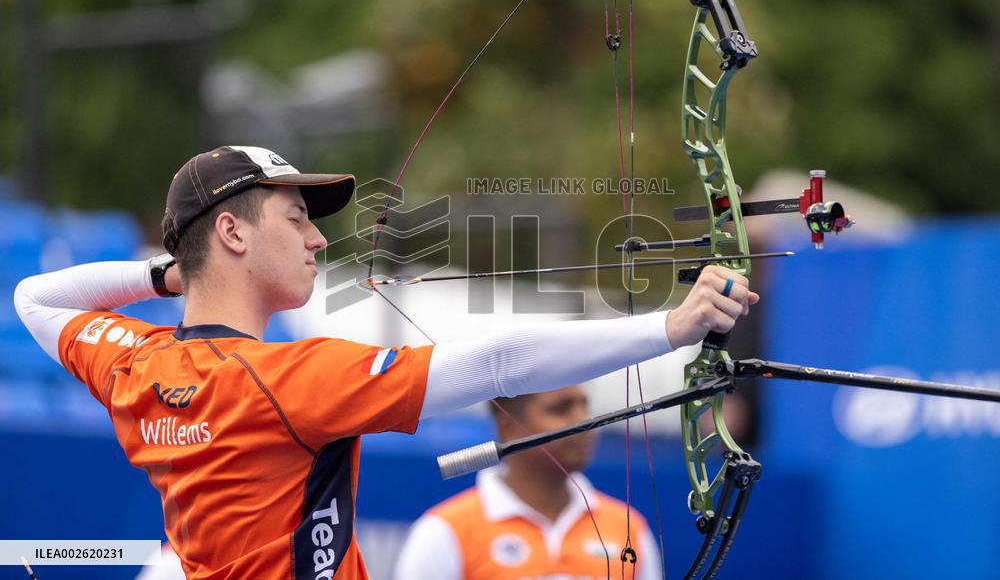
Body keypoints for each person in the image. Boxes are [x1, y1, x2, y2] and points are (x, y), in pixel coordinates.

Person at [12, 145, 757, 579]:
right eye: (297, 216)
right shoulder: (288, 381)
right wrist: (674, 325)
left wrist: (176, 274)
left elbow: (35, 300)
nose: (316, 239)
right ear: (233, 231)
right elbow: (502, 359)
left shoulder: (137, 365)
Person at [395, 386, 661, 580]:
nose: (584, 421)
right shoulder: (445, 532)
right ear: (508, 428)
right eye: (560, 409)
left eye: (584, 405)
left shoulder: (629, 528)